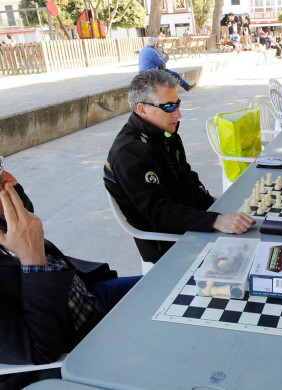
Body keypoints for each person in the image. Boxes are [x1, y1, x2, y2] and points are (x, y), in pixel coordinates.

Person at [0, 170, 140, 390]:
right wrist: (33, 257)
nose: (11, 178)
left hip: (86, 295)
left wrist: (7, 193)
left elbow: (27, 213)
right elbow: (40, 348)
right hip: (75, 347)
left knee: (172, 287)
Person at [104, 70, 255, 263]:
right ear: (142, 109)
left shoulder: (165, 133)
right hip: (170, 243)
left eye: (177, 104)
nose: (178, 113)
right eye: (168, 107)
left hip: (192, 221)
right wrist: (215, 220)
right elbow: (159, 213)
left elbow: (186, 177)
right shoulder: (129, 153)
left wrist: (214, 207)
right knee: (249, 258)